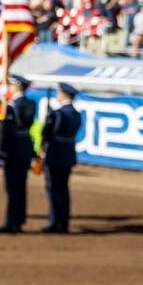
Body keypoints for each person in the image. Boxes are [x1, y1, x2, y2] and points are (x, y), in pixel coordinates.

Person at [0, 73, 38, 233]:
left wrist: (1, 152)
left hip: (13, 149)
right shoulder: (30, 103)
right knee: (21, 186)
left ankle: (11, 222)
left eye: (12, 85)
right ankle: (19, 219)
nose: (10, 88)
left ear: (17, 87)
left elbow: (6, 131)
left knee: (12, 188)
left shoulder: (13, 106)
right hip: (25, 147)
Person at [41, 83, 84, 234]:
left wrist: (48, 119)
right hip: (68, 154)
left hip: (55, 154)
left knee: (54, 189)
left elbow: (46, 133)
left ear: (64, 94)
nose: (57, 95)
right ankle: (63, 222)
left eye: (59, 93)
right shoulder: (76, 114)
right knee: (63, 189)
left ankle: (55, 222)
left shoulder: (58, 114)